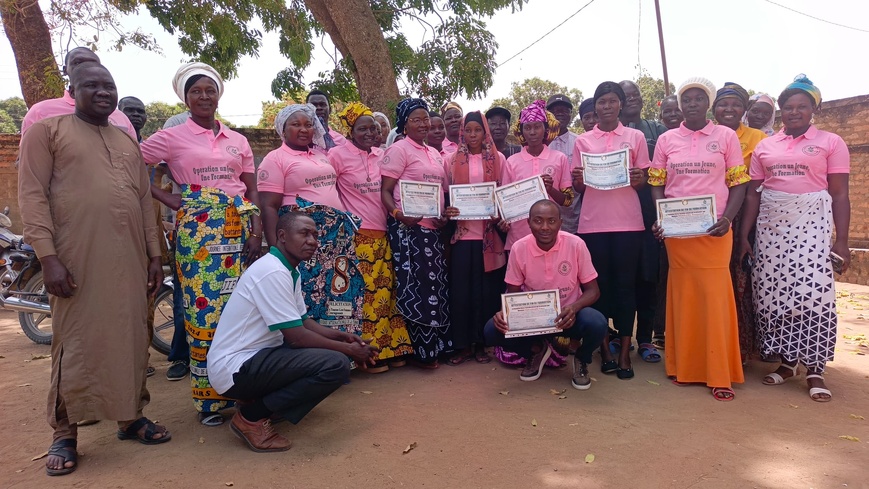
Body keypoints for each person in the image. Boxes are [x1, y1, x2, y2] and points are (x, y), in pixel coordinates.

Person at [18, 62, 170, 477]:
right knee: (74, 341)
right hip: (74, 256)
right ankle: (65, 433)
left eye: (109, 85)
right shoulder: (46, 133)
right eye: (92, 85)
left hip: (131, 256)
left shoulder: (125, 139)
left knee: (133, 335)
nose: (103, 92)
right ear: (73, 90)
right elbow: (31, 196)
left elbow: (143, 202)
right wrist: (47, 256)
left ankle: (130, 416)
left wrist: (155, 256)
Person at [141, 62, 263, 426]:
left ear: (218, 94)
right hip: (198, 234)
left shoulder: (237, 140)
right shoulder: (170, 136)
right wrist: (167, 198)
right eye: (196, 91)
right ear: (185, 97)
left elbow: (250, 188)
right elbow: (129, 164)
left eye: (210, 90)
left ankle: (243, 390)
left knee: (242, 312)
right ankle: (209, 401)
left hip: (238, 229)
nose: (204, 96)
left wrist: (256, 232)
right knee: (203, 311)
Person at [208, 211, 379, 452]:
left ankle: (263, 403)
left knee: (331, 356)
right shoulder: (273, 271)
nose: (312, 241)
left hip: (255, 359)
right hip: (236, 368)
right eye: (304, 233)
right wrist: (349, 351)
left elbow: (303, 322)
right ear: (282, 236)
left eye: (315, 235)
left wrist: (343, 336)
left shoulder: (288, 269)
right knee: (335, 365)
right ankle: (251, 417)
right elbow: (297, 338)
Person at [738, 75, 850, 403]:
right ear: (780, 111)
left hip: (812, 226)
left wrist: (840, 240)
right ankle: (787, 363)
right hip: (771, 228)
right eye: (788, 107)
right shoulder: (766, 145)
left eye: (802, 106)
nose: (794, 112)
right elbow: (753, 197)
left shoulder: (831, 142)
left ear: (813, 109)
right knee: (775, 293)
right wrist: (745, 235)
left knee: (813, 294)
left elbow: (840, 195)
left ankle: (815, 368)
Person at [649, 77, 748, 401]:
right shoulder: (666, 139)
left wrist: (728, 219)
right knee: (685, 295)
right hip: (679, 234)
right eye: (686, 99)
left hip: (715, 230)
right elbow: (657, 182)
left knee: (715, 297)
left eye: (698, 98)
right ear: (680, 105)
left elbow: (738, 183)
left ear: (708, 103)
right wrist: (662, 217)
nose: (691, 103)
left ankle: (720, 374)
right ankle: (685, 368)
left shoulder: (725, 136)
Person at [258, 104, 363, 338]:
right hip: (303, 239)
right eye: (296, 124)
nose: (304, 129)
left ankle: (343, 350)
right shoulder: (275, 159)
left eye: (308, 124)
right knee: (308, 291)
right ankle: (314, 352)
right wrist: (276, 246)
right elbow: (269, 206)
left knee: (337, 290)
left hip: (335, 238)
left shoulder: (320, 154)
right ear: (283, 130)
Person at [484, 200, 608, 389]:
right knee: (492, 330)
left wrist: (574, 308)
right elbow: (513, 293)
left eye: (551, 221)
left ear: (560, 222)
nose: (545, 227)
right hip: (533, 320)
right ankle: (536, 350)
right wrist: (504, 313)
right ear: (528, 222)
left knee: (597, 323)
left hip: (568, 317)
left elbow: (594, 290)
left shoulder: (576, 244)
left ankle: (582, 360)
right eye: (538, 221)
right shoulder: (519, 248)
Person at [572, 81, 651, 379]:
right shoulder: (583, 141)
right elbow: (578, 187)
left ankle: (624, 352)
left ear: (620, 104)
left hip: (629, 222)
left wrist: (637, 177)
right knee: (599, 287)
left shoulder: (635, 136)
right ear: (595, 108)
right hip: (593, 224)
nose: (606, 107)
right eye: (600, 102)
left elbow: (642, 179)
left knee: (625, 286)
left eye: (611, 101)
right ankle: (604, 348)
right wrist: (580, 179)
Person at [331, 102, 414, 372]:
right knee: (364, 298)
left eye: (374, 128)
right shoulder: (336, 156)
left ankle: (388, 350)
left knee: (385, 295)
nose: (369, 132)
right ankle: (365, 357)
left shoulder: (383, 155)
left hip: (384, 233)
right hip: (356, 236)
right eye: (362, 128)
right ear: (350, 130)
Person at [380, 97, 452, 368]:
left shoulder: (434, 153)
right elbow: (385, 192)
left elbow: (440, 192)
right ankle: (419, 352)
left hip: (433, 230)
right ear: (404, 124)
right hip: (408, 230)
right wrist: (399, 214)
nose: (424, 124)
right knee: (415, 286)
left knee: (435, 286)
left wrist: (443, 216)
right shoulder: (400, 150)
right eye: (416, 120)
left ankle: (436, 348)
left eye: (426, 119)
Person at [443, 111, 507, 365]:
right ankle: (462, 346)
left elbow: (503, 194)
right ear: (462, 133)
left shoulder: (499, 158)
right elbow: (445, 195)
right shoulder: (450, 160)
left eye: (477, 130)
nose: (472, 135)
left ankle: (482, 345)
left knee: (485, 293)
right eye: (467, 130)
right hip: (463, 236)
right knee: (461, 293)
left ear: (484, 132)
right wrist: (448, 211)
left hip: (489, 238)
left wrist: (498, 212)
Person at [712, 82, 767, 361]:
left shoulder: (758, 138)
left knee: (742, 280)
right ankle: (714, 341)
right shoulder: (705, 134)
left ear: (744, 109)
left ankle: (743, 347)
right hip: (708, 216)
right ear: (715, 108)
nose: (729, 109)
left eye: (735, 104)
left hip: (745, 214)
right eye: (723, 103)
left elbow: (753, 181)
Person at [618, 79, 668, 363]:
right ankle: (618, 335)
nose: (633, 98)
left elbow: (664, 171)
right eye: (627, 95)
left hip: (650, 213)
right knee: (622, 278)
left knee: (649, 276)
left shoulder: (657, 131)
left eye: (636, 93)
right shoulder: (609, 133)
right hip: (618, 216)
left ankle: (646, 339)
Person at [20, 47, 137, 140]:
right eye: (78, 63)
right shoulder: (40, 111)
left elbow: (133, 159)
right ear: (65, 70)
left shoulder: (120, 118)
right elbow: (27, 160)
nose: (86, 68)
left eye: (93, 63)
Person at [501, 100, 573, 251]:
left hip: (551, 237)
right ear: (521, 131)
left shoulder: (559, 158)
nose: (532, 132)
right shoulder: (512, 162)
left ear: (545, 129)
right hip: (518, 237)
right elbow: (505, 203)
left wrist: (550, 189)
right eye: (527, 128)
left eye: (537, 127)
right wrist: (504, 220)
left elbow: (567, 201)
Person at [546, 94, 582, 235]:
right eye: (555, 110)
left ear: (570, 115)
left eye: (564, 110)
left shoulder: (580, 142)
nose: (559, 113)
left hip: (572, 215)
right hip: (544, 215)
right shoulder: (540, 143)